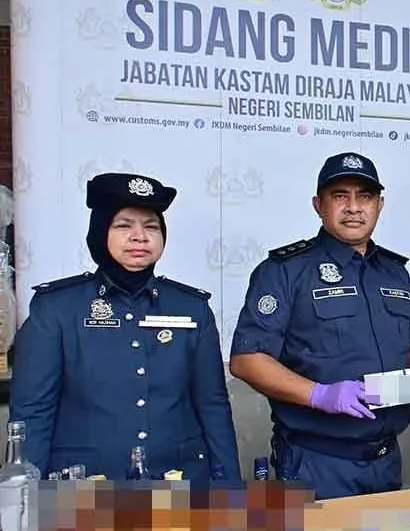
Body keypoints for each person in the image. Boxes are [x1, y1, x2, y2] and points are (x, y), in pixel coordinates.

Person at [9, 173, 241, 481]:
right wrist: (28, 501)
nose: (140, 237)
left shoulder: (191, 307)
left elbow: (212, 406)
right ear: (100, 231)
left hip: (179, 480)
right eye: (123, 225)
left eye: (151, 227)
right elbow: (33, 413)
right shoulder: (57, 308)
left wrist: (230, 489)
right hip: (87, 487)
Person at [229, 152, 410, 500]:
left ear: (380, 205)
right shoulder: (285, 271)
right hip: (317, 463)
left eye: (365, 196)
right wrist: (319, 394)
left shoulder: (395, 271)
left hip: (386, 460)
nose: (354, 207)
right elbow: (246, 359)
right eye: (341, 196)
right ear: (318, 205)